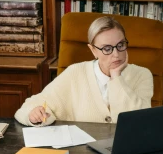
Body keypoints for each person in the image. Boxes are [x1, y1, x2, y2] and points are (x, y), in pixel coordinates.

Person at [15, 16, 153, 127]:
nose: (116, 54)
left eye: (120, 45)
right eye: (107, 48)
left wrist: (116, 77)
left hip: (127, 153)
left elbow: (140, 122)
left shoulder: (142, 75)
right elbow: (28, 108)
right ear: (93, 50)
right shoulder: (75, 73)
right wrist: (34, 115)